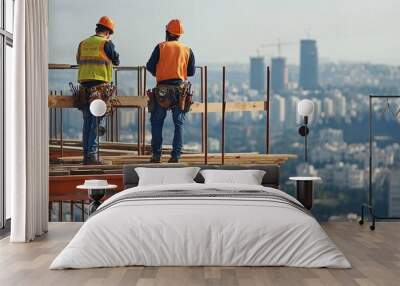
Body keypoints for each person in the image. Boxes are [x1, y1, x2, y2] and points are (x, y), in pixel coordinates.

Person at [146, 19, 196, 163]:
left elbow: (150, 66)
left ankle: (156, 155)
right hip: (180, 91)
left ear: (167, 32)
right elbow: (191, 71)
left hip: (162, 90)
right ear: (179, 35)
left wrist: (161, 72)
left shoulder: (161, 47)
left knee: (157, 122)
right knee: (178, 124)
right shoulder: (187, 49)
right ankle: (175, 156)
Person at [76, 16, 120, 165]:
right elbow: (116, 60)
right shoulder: (106, 43)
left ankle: (86, 155)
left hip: (84, 88)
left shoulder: (83, 43)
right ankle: (92, 155)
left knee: (87, 122)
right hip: (100, 89)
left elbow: (78, 60)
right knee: (96, 122)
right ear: (107, 32)